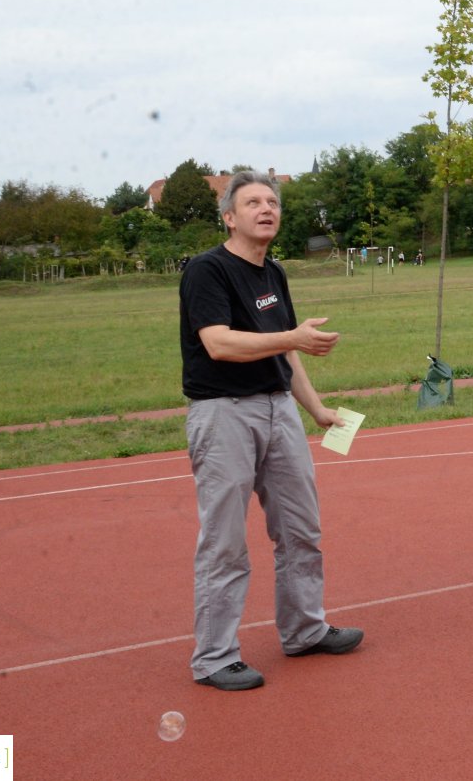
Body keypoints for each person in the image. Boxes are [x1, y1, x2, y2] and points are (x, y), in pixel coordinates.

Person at [178, 171, 362, 692]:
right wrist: (294, 339)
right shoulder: (206, 271)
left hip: (279, 410)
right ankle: (214, 658)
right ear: (230, 217)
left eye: (272, 202)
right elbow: (218, 343)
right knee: (225, 542)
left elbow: (285, 349)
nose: (266, 209)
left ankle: (304, 629)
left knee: (302, 529)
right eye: (253, 202)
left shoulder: (273, 273)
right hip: (223, 414)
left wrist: (318, 410)